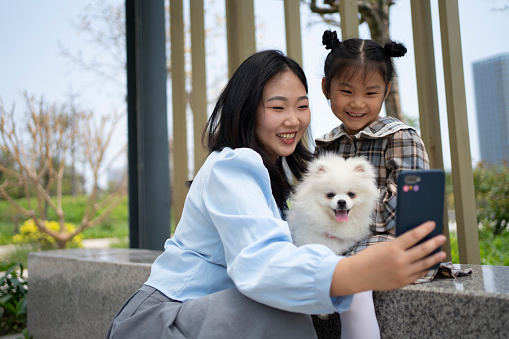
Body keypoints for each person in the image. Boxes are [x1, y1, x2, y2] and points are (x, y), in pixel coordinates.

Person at [106, 50, 445, 339]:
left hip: (211, 317)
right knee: (271, 306)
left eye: (302, 106)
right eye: (278, 107)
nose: (294, 121)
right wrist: (356, 272)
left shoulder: (288, 171)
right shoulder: (232, 165)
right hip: (164, 321)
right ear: (247, 108)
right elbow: (261, 263)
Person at [314, 30, 431, 337]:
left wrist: (342, 214)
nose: (357, 103)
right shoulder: (326, 146)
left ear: (386, 91)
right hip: (337, 243)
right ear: (326, 88)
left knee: (354, 280)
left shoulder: (401, 138)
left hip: (392, 243)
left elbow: (406, 210)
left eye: (370, 93)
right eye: (346, 90)